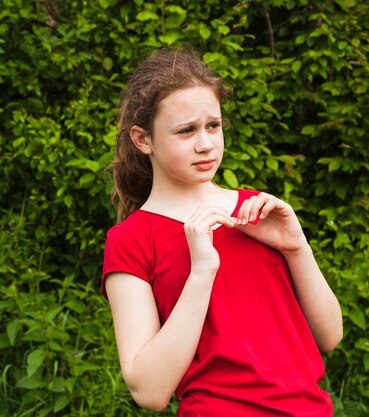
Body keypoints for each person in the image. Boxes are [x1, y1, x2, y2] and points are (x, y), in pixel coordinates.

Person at [101, 46, 343, 417]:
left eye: (212, 126)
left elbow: (330, 336)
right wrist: (201, 272)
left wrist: (297, 248)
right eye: (186, 131)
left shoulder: (257, 212)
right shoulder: (131, 240)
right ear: (142, 139)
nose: (206, 144)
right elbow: (149, 390)